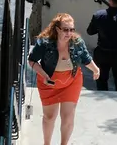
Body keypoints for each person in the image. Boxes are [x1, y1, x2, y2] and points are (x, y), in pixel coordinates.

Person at [28, 13, 100, 145]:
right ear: (57, 29)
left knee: (67, 118)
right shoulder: (45, 43)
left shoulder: (77, 43)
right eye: (65, 29)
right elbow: (31, 61)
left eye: (71, 29)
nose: (69, 33)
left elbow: (86, 59)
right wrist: (43, 74)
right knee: (50, 117)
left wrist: (96, 69)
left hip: (71, 82)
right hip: (49, 83)